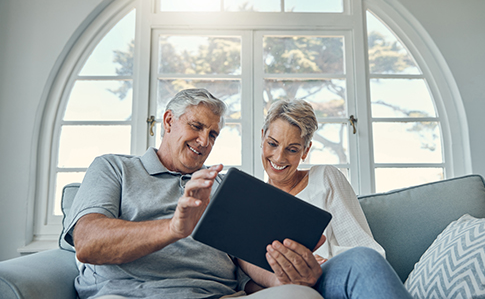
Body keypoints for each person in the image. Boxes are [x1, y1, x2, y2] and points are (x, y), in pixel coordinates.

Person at [63, 89, 323, 299]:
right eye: (196, 126)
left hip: (217, 296)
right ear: (168, 121)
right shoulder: (114, 168)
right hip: (127, 294)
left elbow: (245, 260)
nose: (204, 141)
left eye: (213, 134)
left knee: (302, 296)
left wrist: (289, 276)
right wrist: (174, 228)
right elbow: (88, 243)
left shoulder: (222, 184)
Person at [237, 99, 413, 299]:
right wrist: (283, 284)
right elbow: (242, 281)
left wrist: (320, 263)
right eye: (272, 144)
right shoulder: (250, 202)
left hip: (328, 278)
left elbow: (367, 252)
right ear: (262, 138)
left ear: (306, 151)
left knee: (364, 259)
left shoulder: (324, 178)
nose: (278, 157)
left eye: (292, 149)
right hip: (283, 291)